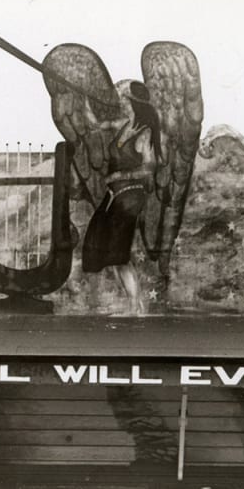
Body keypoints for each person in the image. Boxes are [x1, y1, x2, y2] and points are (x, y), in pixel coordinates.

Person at [80, 80, 161, 316]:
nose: (122, 104)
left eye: (125, 100)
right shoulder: (122, 125)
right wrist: (84, 96)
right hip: (115, 195)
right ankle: (135, 305)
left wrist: (120, 174)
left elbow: (150, 167)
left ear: (135, 103)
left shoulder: (144, 132)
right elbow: (94, 124)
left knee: (119, 251)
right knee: (109, 251)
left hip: (130, 196)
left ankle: (135, 307)